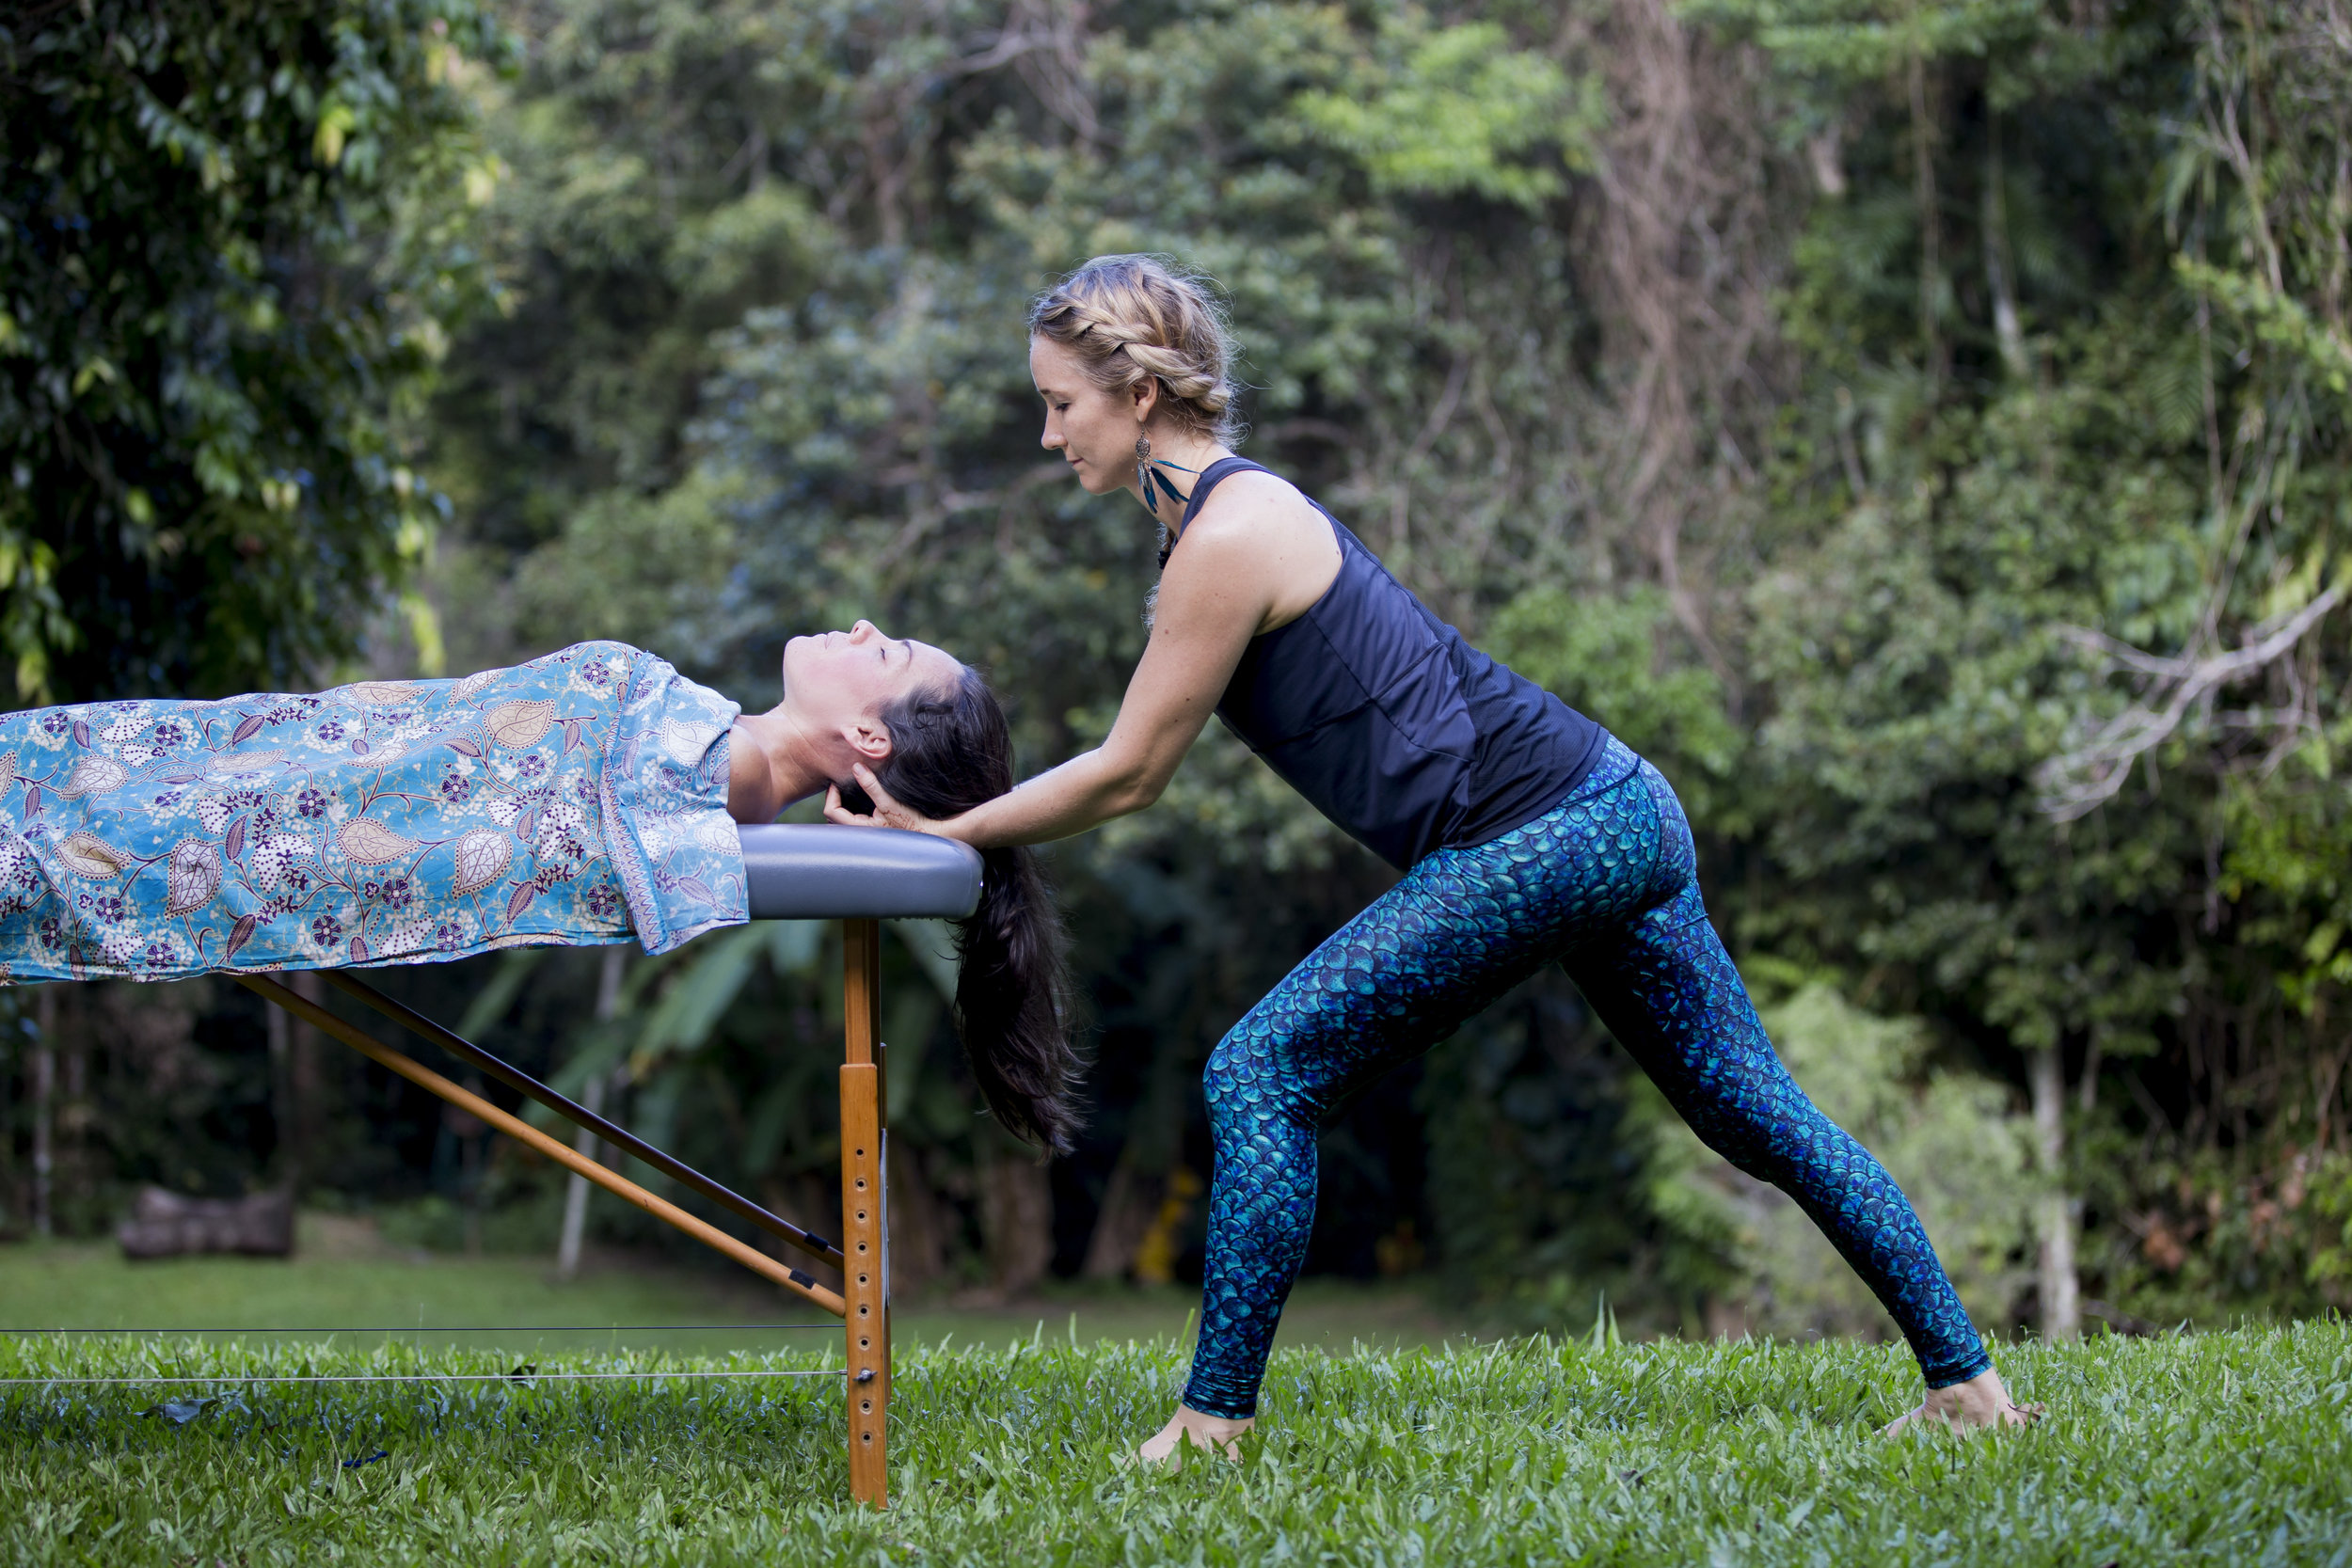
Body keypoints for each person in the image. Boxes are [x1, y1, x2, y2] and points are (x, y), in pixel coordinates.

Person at [825, 254, 2039, 1456]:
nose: (1048, 435)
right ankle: (1967, 1387)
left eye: (1060, 403)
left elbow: (1132, 769)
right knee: (1751, 1111)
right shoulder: (1222, 524)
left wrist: (946, 831)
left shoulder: (1231, 533)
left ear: (1137, 396)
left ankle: (1212, 1420)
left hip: (1546, 827)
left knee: (1260, 1073)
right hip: (1615, 809)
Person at [0, 624, 1080, 1153]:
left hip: (280, 809)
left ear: (865, 735)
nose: (856, 627)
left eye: (881, 649)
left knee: (74, 810)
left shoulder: (703, 777)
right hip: (287, 755)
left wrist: (908, 822)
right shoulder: (710, 748)